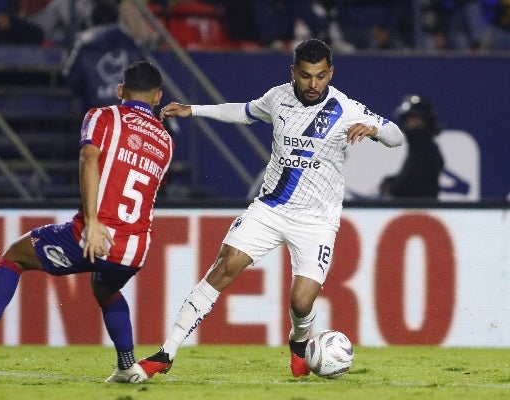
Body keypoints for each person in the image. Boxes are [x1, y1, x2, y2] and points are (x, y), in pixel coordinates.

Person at [136, 39, 404, 380]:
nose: (313, 84)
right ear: (293, 72)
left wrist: (376, 130)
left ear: (330, 73)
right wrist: (195, 110)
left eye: (321, 76)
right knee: (224, 267)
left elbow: (396, 136)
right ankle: (166, 352)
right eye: (306, 76)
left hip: (317, 221)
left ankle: (298, 343)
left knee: (301, 303)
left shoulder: (346, 108)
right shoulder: (278, 98)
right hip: (271, 209)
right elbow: (244, 112)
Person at [0, 61, 174, 384]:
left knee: (15, 255)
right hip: (135, 248)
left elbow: (89, 159)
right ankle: (128, 365)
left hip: (95, 232)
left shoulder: (102, 116)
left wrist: (91, 222)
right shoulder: (165, 140)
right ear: (157, 97)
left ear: (120, 90)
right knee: (105, 289)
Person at [379, 95, 444, 199]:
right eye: (409, 120)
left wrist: (392, 187)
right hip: (413, 209)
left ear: (426, 121)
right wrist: (392, 182)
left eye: (417, 120)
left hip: (420, 211)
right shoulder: (419, 148)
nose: (413, 124)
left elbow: (408, 184)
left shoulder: (426, 149)